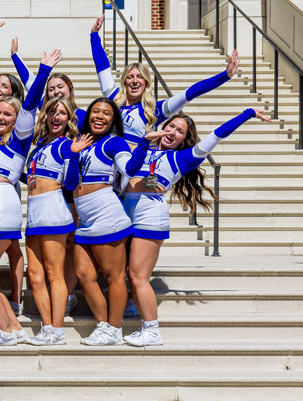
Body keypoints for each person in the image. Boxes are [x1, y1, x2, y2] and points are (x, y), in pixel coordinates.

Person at [122, 108, 271, 346]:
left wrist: (248, 113)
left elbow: (217, 135)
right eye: (171, 126)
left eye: (180, 131)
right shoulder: (147, 148)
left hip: (149, 218)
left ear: (185, 140)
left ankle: (151, 330)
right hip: (127, 216)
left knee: (138, 276)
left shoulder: (181, 158)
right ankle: (133, 312)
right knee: (128, 273)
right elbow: (130, 171)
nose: (172, 132)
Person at [0, 33, 60, 346]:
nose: (2, 115)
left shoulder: (19, 138)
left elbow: (30, 102)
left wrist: (43, 71)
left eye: (9, 113)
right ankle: (13, 328)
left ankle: (6, 329)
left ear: (18, 119)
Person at [90, 15, 239, 145]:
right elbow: (102, 66)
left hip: (134, 172)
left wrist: (224, 76)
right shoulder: (112, 98)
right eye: (130, 77)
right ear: (124, 82)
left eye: (140, 77)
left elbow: (192, 92)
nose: (135, 81)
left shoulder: (155, 110)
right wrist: (94, 35)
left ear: (146, 84)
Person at [23, 96, 92, 345]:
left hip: (53, 212)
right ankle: (47, 326)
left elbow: (72, 184)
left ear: (68, 118)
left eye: (62, 113)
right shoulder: (39, 145)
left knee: (54, 275)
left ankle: (58, 330)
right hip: (34, 214)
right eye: (52, 111)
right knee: (35, 276)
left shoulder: (66, 145)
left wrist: (74, 156)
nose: (56, 117)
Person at [73, 97, 141, 346]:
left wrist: (142, 145)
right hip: (85, 220)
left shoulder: (115, 142)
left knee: (114, 277)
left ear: (114, 120)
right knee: (83, 275)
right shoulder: (81, 142)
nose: (100, 116)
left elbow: (128, 167)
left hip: (107, 215)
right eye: (95, 111)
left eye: (106, 113)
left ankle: (114, 327)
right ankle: (104, 325)